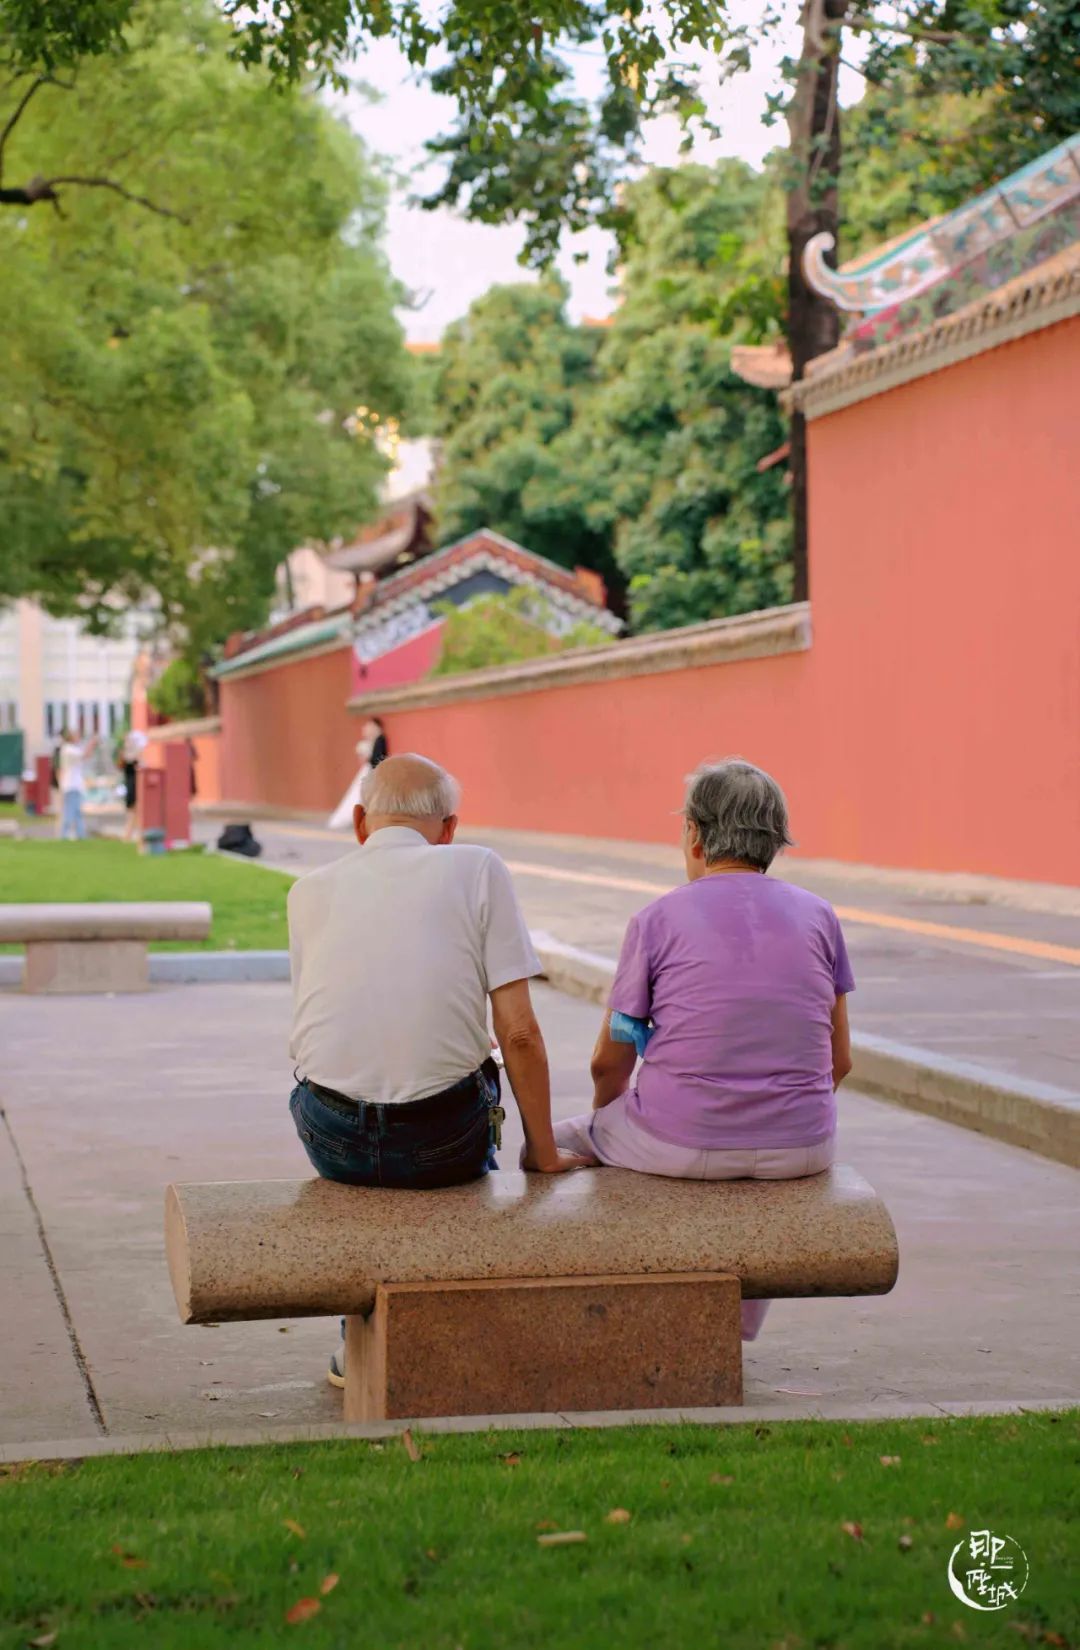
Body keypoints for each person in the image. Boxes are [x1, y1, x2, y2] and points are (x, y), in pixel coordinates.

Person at [287, 752, 593, 1387]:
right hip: (442, 1137)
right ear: (450, 828)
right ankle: (454, 1329)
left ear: (360, 822)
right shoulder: (477, 867)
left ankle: (359, 1342)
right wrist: (542, 1151)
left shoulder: (307, 890)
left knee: (350, 1092)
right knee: (457, 1090)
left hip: (331, 1135)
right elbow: (519, 1033)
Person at [554, 758, 855, 1344]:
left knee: (560, 1143)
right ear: (775, 840)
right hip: (803, 1146)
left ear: (695, 834)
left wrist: (609, 1123)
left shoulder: (656, 919)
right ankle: (736, 1327)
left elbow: (608, 1061)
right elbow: (838, 1059)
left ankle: (620, 1311)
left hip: (682, 1140)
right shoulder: (821, 916)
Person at [327, 718, 388, 831]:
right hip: (368, 769)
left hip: (371, 769)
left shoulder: (381, 739)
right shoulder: (373, 741)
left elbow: (380, 757)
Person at [56, 728, 99, 841]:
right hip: (71, 785)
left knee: (77, 812)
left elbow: (85, 755)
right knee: (69, 812)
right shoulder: (68, 749)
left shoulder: (72, 749)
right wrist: (92, 743)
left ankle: (81, 835)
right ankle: (64, 835)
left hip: (75, 785)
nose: (78, 737)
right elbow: (85, 754)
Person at [119, 728, 148, 842]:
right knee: (133, 811)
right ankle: (128, 835)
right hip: (132, 785)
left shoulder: (132, 755)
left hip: (135, 785)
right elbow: (132, 759)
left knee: (136, 812)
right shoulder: (129, 756)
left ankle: (133, 835)